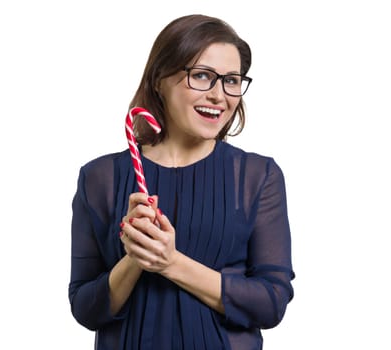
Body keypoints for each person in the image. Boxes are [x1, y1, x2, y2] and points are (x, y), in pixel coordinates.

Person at [69, 14, 295, 350]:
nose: (220, 95)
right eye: (202, 76)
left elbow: (271, 302)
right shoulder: (100, 178)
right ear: (160, 79)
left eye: (231, 80)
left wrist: (171, 262)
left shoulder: (257, 177)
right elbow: (86, 309)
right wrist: (134, 257)